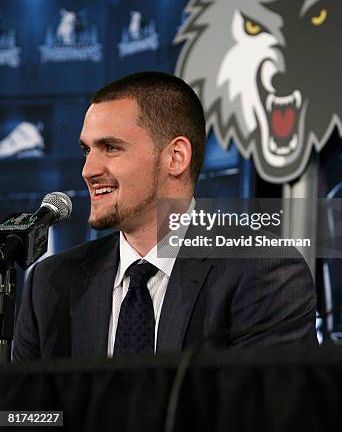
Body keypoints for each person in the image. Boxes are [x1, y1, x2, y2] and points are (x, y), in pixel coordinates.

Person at [13, 72, 317, 362]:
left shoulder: (264, 272)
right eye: (86, 151)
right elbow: (32, 415)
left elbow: (268, 412)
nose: (88, 170)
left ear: (176, 158)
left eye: (110, 148)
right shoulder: (50, 284)